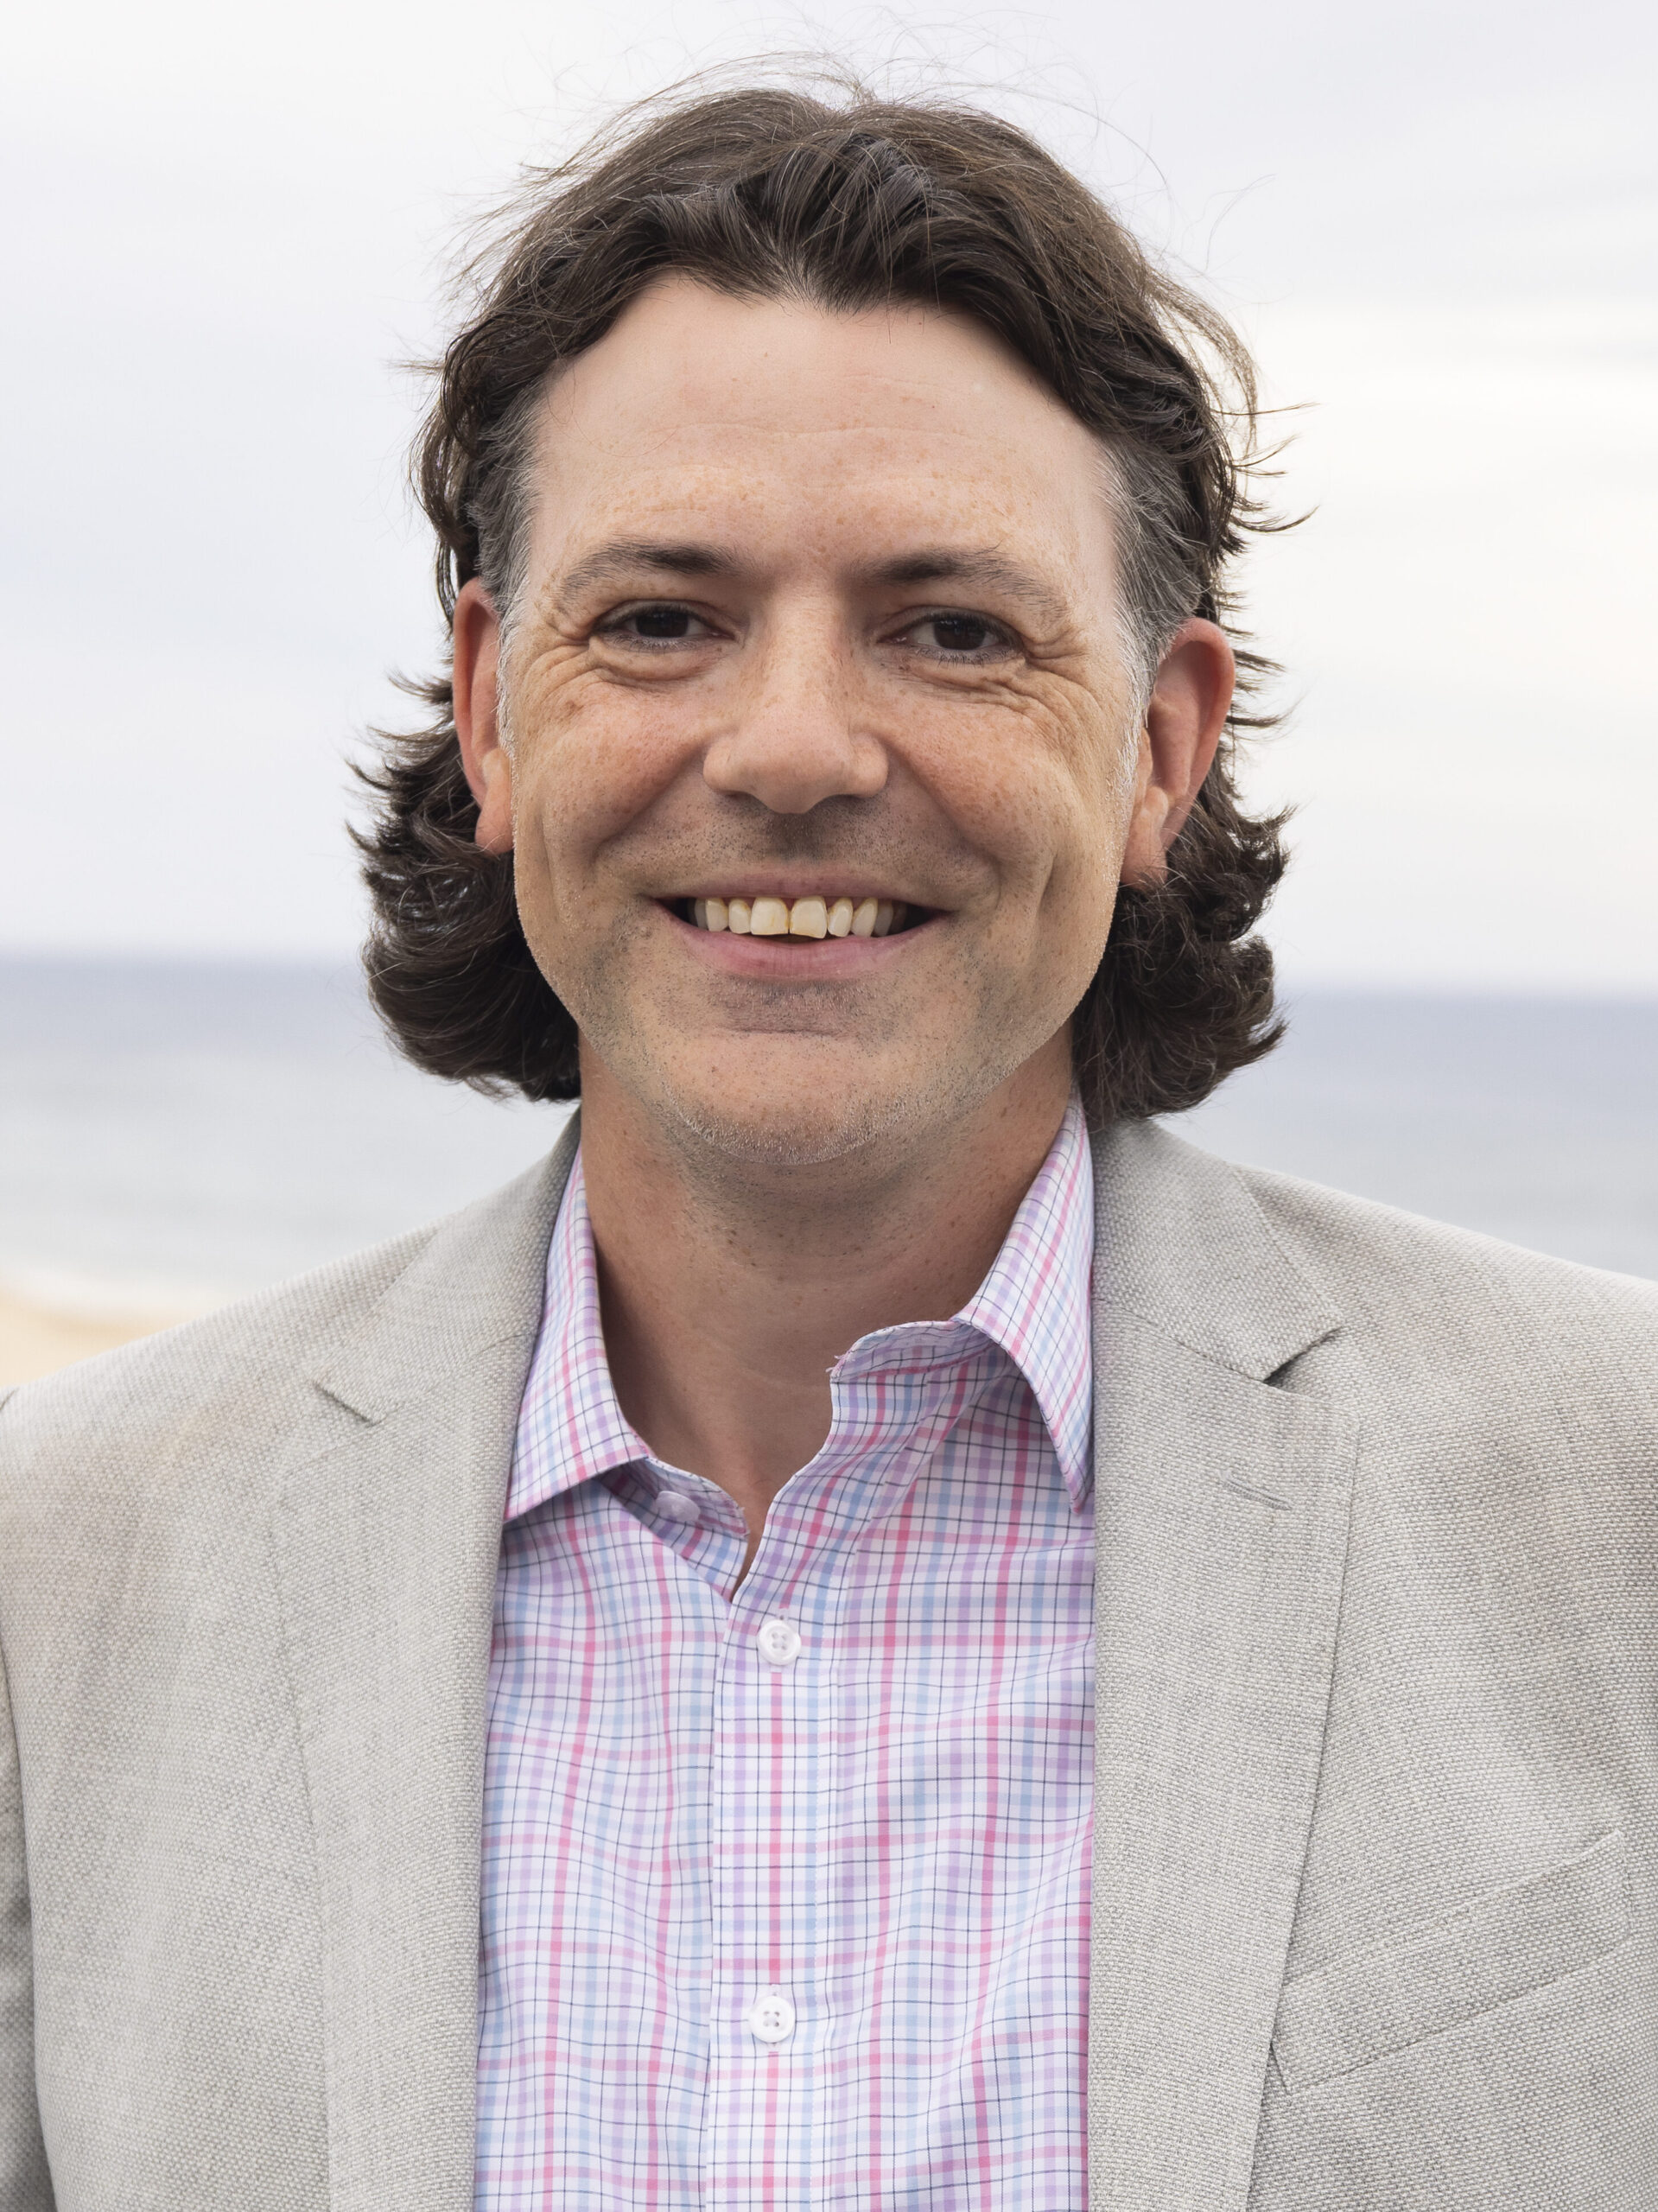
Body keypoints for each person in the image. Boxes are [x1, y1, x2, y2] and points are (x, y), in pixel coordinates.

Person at [1, 81, 1653, 2212]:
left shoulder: (1610, 1505)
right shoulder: (64, 1564)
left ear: (1161, 749)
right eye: (662, 617)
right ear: (493, 711)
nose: (790, 748)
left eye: (952, 627)